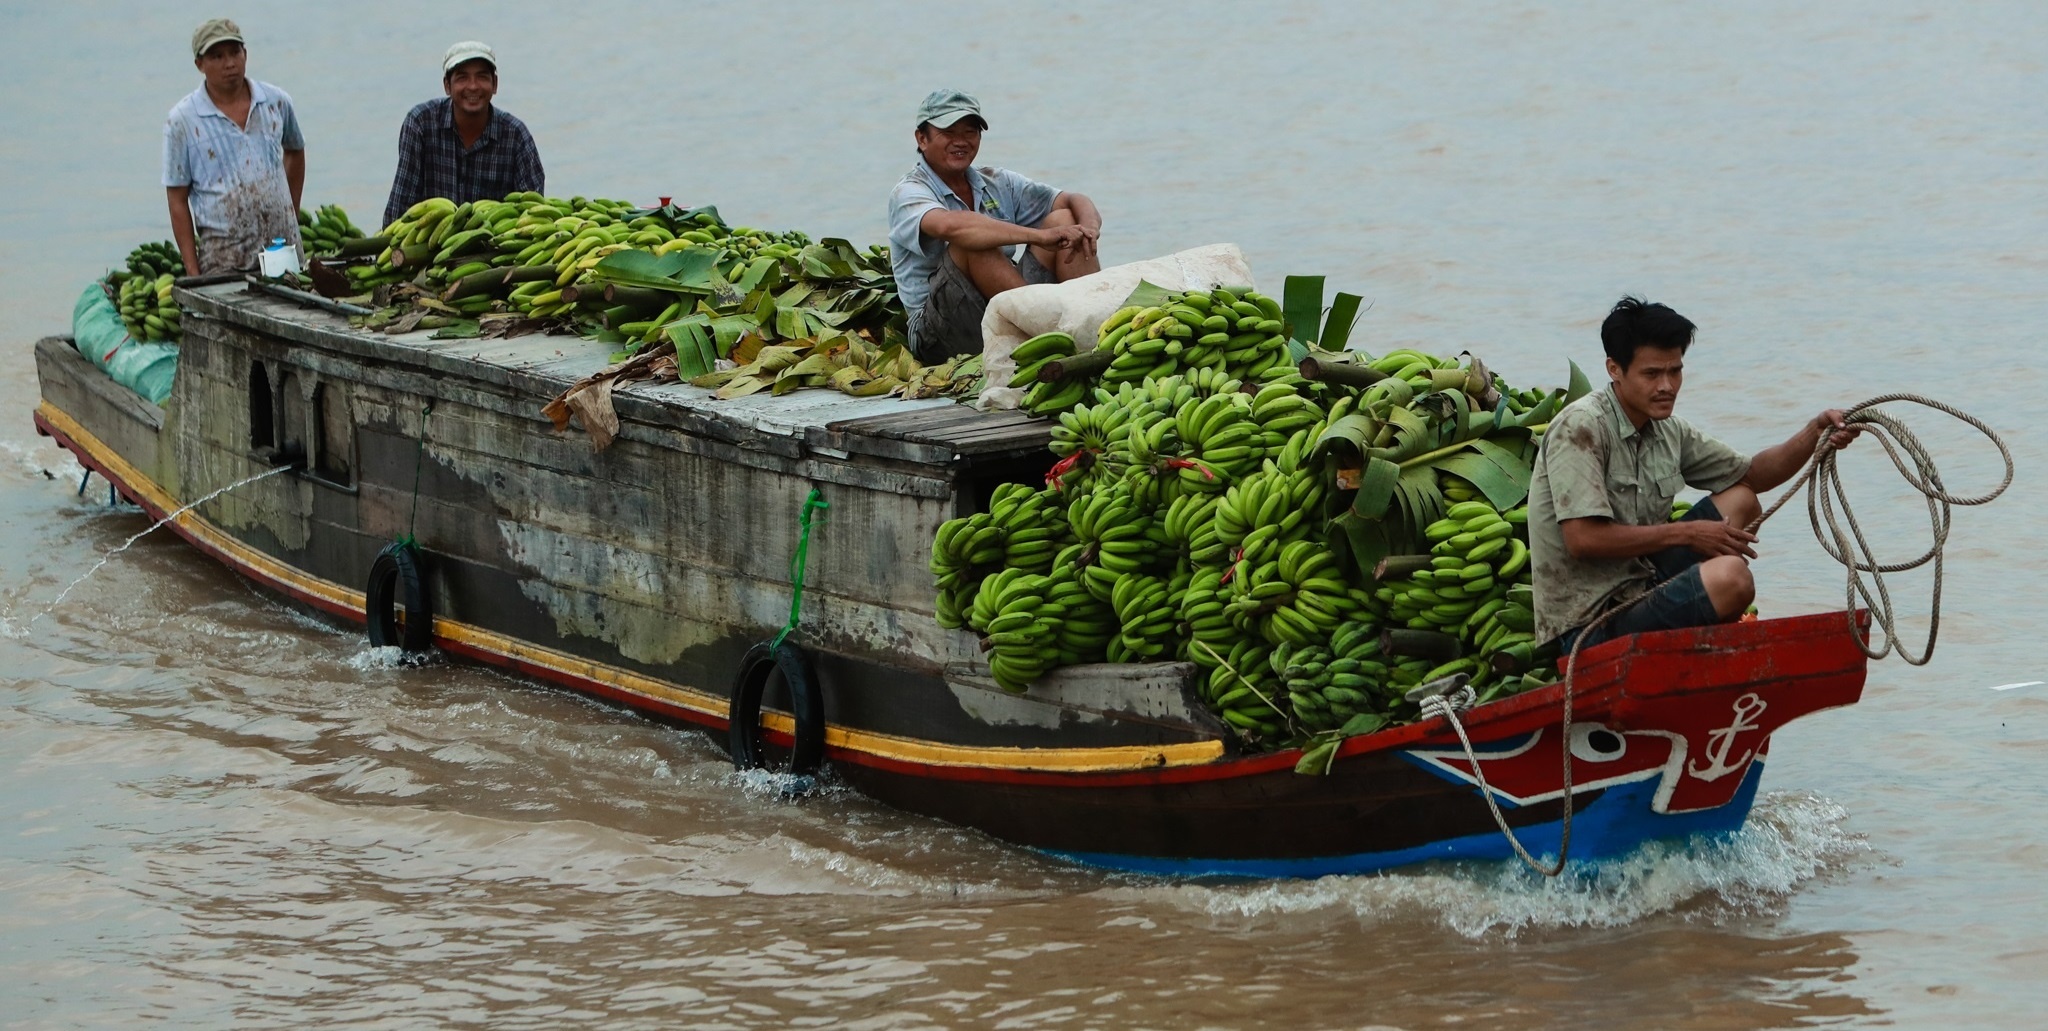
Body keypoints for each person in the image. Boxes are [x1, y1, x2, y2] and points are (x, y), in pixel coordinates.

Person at [1526, 297, 1861, 652]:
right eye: (1652, 374)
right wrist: (1686, 533)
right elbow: (1583, 540)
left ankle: (1696, 617)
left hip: (1642, 584)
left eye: (1675, 371)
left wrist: (1816, 433)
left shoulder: (1667, 429)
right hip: (1588, 625)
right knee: (1733, 578)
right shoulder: (1582, 426)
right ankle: (1706, 616)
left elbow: (1752, 474)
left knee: (1742, 499)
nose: (1667, 386)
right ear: (1615, 369)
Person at [887, 90, 1103, 361]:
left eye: (969, 132)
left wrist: (1089, 227)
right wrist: (1039, 236)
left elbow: (1071, 200)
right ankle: (1047, 341)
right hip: (939, 332)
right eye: (948, 132)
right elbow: (951, 227)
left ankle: (1094, 329)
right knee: (974, 242)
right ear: (922, 138)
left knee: (1066, 221)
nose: (960, 142)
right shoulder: (908, 192)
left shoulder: (995, 181)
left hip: (1003, 305)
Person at [163, 19, 306, 276]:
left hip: (282, 253)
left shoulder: (275, 102)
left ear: (245, 54)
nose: (229, 63)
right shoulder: (182, 120)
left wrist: (290, 212)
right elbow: (177, 199)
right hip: (224, 261)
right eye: (217, 56)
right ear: (200, 64)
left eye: (235, 52)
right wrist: (193, 273)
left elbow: (295, 150)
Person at [382, 41, 545, 229]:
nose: (473, 86)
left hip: (494, 249)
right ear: (447, 86)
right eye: (462, 78)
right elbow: (401, 204)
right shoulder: (420, 123)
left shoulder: (516, 135)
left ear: (495, 84)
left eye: (482, 77)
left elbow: (534, 211)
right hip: (428, 248)